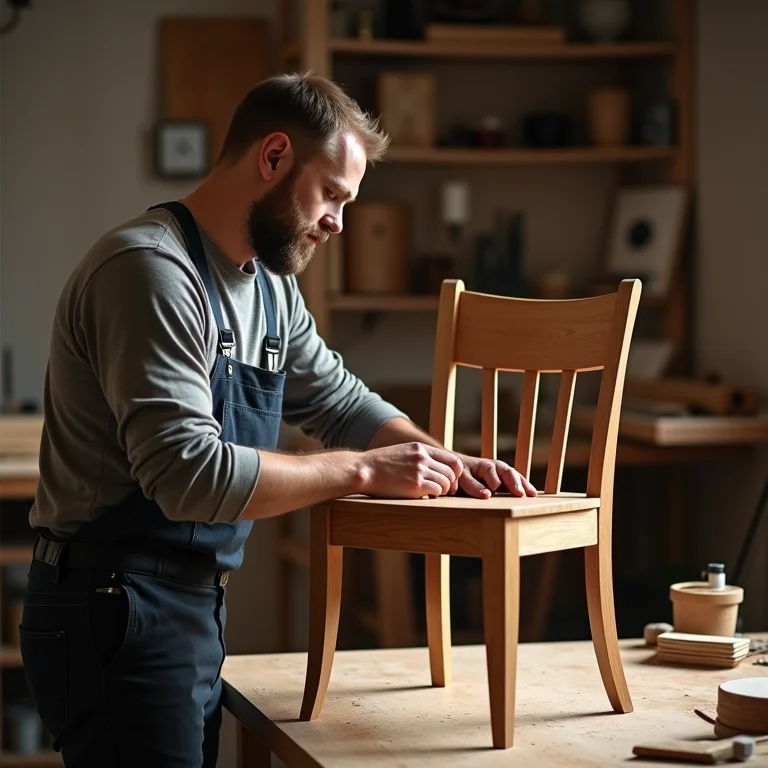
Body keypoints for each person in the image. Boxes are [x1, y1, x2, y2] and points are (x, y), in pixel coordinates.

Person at [20, 72, 536, 767]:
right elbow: (187, 476)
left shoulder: (269, 287)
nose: (338, 223)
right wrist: (360, 470)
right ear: (273, 157)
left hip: (186, 607)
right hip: (113, 605)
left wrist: (437, 456)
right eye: (331, 194)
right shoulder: (150, 273)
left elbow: (339, 401)